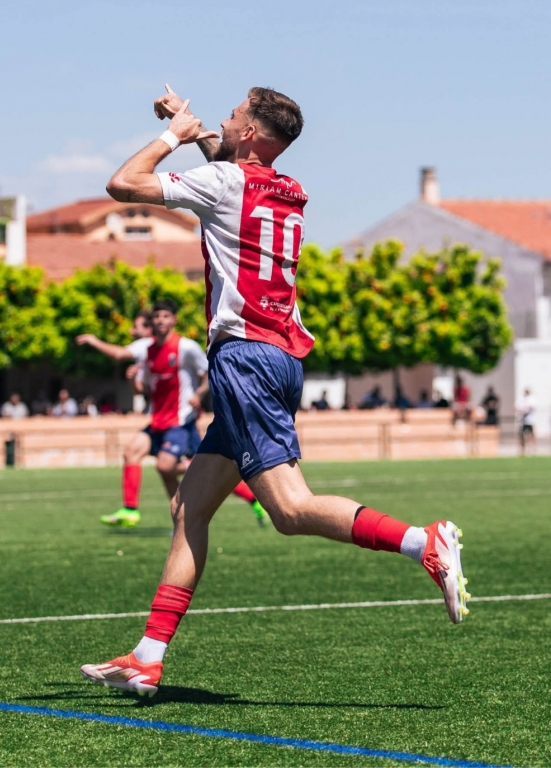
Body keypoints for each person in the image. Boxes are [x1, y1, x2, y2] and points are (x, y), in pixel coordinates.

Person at [80, 84, 469, 697]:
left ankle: (424, 541)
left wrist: (170, 137)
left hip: (246, 358)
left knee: (288, 509)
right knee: (190, 506)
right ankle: (148, 656)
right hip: (279, 356)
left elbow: (123, 185)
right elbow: (230, 165)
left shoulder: (226, 183)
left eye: (234, 115)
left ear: (254, 135)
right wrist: (196, 125)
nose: (224, 120)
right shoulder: (288, 189)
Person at [78, 302, 266, 526]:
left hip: (180, 423)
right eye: (157, 317)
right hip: (158, 422)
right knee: (132, 452)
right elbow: (141, 388)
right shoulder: (147, 349)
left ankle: (246, 495)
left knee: (168, 467)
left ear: (174, 320)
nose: (160, 321)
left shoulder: (186, 347)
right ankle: (133, 511)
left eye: (166, 316)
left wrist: (199, 394)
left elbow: (208, 373)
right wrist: (131, 380)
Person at [515, 388, 536, 455]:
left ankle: (533, 449)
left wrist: (525, 409)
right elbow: (516, 407)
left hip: (530, 420)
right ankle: (522, 449)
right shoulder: (521, 399)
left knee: (531, 435)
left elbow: (531, 407)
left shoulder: (532, 399)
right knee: (521, 435)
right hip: (522, 421)